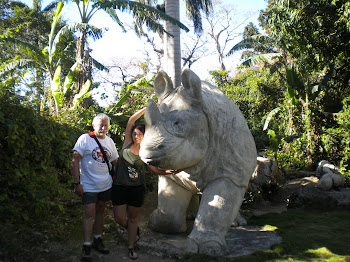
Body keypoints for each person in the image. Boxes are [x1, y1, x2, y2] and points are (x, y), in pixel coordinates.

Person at [112, 108, 173, 260]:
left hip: (136, 189)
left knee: (133, 218)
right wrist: (148, 108)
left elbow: (156, 170)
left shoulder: (145, 153)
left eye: (139, 134)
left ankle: (131, 246)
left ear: (144, 136)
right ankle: (134, 231)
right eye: (134, 133)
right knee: (120, 218)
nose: (136, 135)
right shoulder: (126, 143)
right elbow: (131, 120)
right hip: (119, 187)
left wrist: (173, 172)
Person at [72, 113, 119, 262]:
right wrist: (76, 183)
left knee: (101, 211)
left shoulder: (110, 141)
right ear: (93, 125)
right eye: (100, 125)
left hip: (105, 185)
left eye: (106, 125)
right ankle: (87, 245)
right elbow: (75, 160)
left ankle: (98, 239)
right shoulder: (85, 139)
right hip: (88, 185)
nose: (103, 128)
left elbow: (115, 162)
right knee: (89, 213)